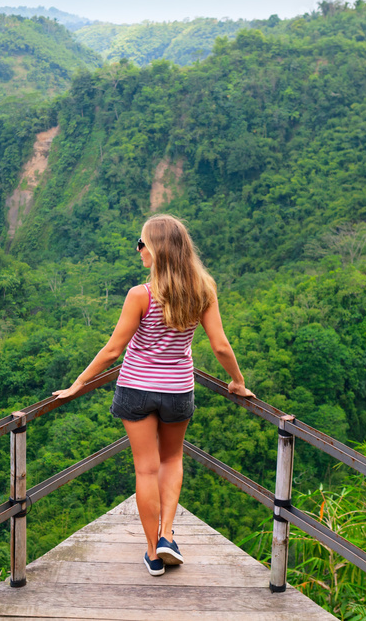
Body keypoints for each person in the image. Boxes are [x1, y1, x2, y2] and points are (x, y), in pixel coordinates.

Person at [53, 214, 254, 576]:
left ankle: (152, 553)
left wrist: (79, 383)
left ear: (157, 251)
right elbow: (221, 346)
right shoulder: (203, 290)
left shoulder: (141, 295)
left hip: (135, 389)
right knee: (172, 460)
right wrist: (237, 381)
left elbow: (114, 349)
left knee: (146, 469)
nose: (138, 249)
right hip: (177, 390)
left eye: (142, 243)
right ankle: (167, 535)